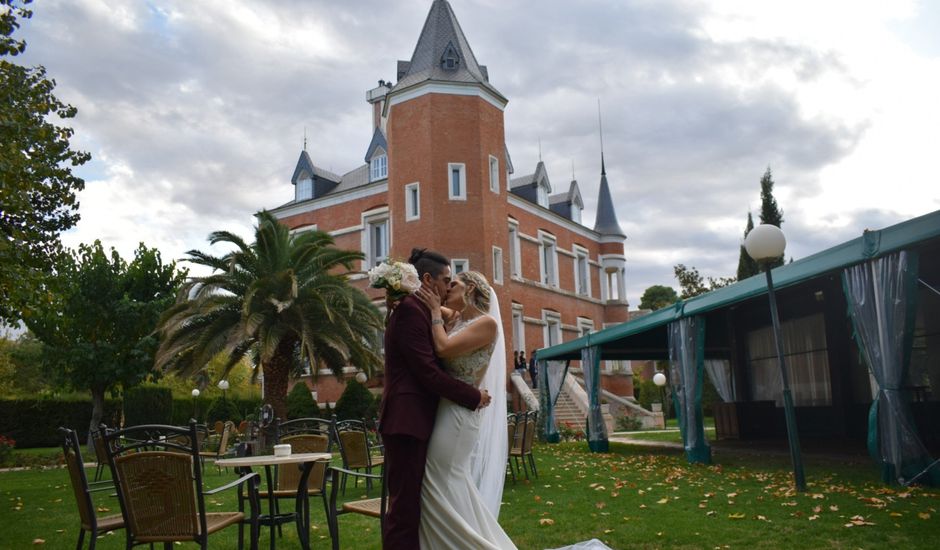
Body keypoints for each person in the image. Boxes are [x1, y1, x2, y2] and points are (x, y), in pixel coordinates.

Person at [379, 249, 492, 550]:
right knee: (404, 509)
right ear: (427, 279)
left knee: (415, 503)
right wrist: (474, 396)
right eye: (445, 281)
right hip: (407, 420)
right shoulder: (410, 312)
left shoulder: (417, 308)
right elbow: (428, 372)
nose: (447, 287)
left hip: (421, 419)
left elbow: (455, 319)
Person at [415, 270, 517, 549]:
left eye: (454, 284)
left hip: (460, 415)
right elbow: (426, 300)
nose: (447, 288)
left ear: (470, 288)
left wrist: (436, 311)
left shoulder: (487, 324)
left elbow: (444, 347)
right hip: (447, 408)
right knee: (447, 481)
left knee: (438, 480)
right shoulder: (459, 318)